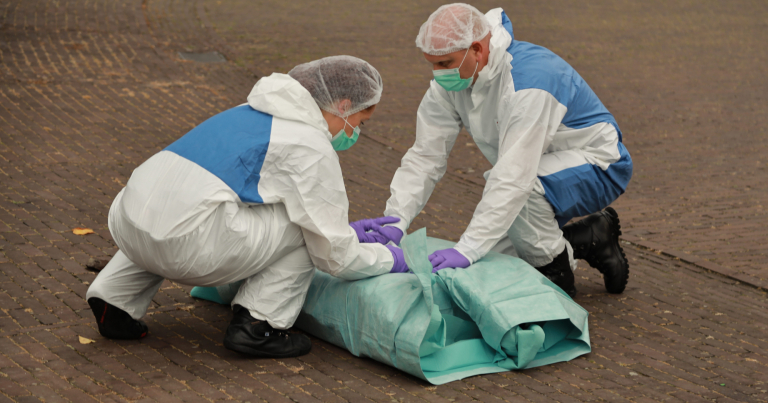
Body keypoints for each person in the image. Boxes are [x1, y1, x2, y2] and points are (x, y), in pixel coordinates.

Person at [85, 56, 407, 358]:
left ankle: (114, 300)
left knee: (169, 205)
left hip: (127, 225)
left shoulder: (246, 111)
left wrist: (348, 231)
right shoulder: (310, 143)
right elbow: (335, 256)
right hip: (187, 248)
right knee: (305, 229)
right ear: (345, 105)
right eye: (360, 122)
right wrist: (390, 259)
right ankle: (259, 326)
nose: (355, 133)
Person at [357, 4, 632, 297]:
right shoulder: (452, 84)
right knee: (499, 261)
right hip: (534, 169)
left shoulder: (527, 82)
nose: (438, 75)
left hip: (599, 164)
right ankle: (593, 237)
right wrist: (396, 220)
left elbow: (514, 177)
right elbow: (425, 157)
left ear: (476, 49)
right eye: (432, 64)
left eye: (445, 63)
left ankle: (558, 291)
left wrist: (468, 248)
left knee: (515, 213)